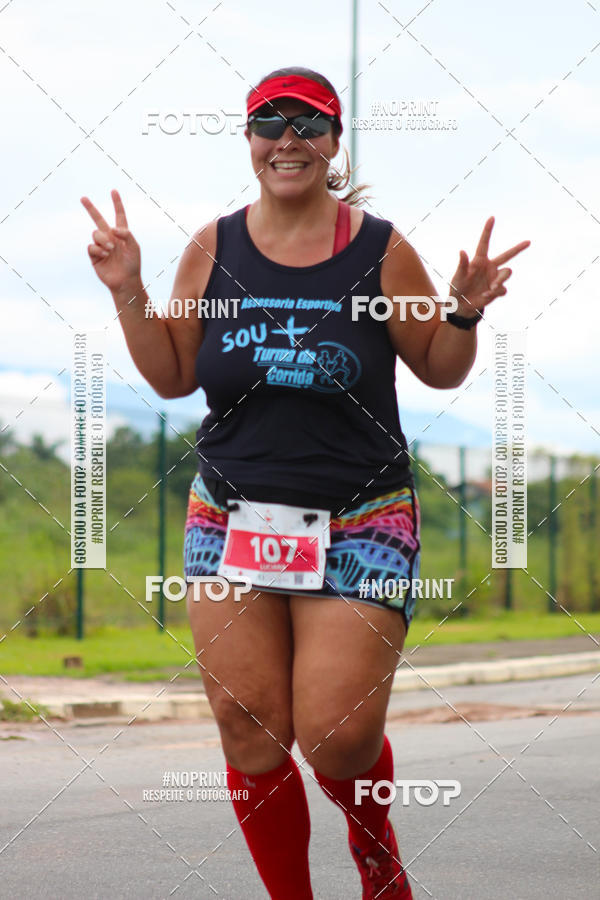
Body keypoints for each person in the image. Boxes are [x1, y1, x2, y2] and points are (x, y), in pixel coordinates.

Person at [82, 66, 530, 900]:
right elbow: (174, 376)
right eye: (269, 123)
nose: (287, 139)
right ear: (249, 139)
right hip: (231, 514)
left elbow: (438, 367)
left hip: (361, 516)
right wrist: (129, 291)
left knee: (336, 739)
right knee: (248, 729)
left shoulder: (381, 250)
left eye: (308, 123)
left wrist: (463, 312)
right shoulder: (213, 250)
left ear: (333, 142)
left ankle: (375, 854)